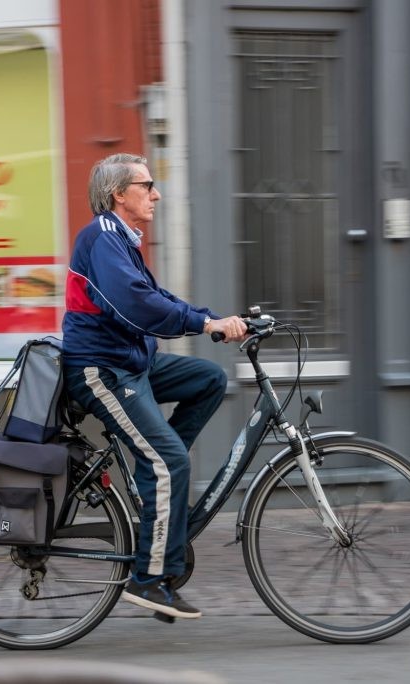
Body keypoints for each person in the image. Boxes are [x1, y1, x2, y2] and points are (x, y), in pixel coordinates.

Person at [62, 153, 247, 620]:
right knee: (168, 459)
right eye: (148, 186)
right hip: (100, 371)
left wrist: (212, 318)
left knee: (208, 379)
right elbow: (137, 305)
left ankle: (156, 483)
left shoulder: (123, 241)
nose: (156, 194)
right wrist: (206, 325)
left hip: (132, 365)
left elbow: (157, 298)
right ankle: (148, 581)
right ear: (118, 194)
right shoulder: (103, 237)